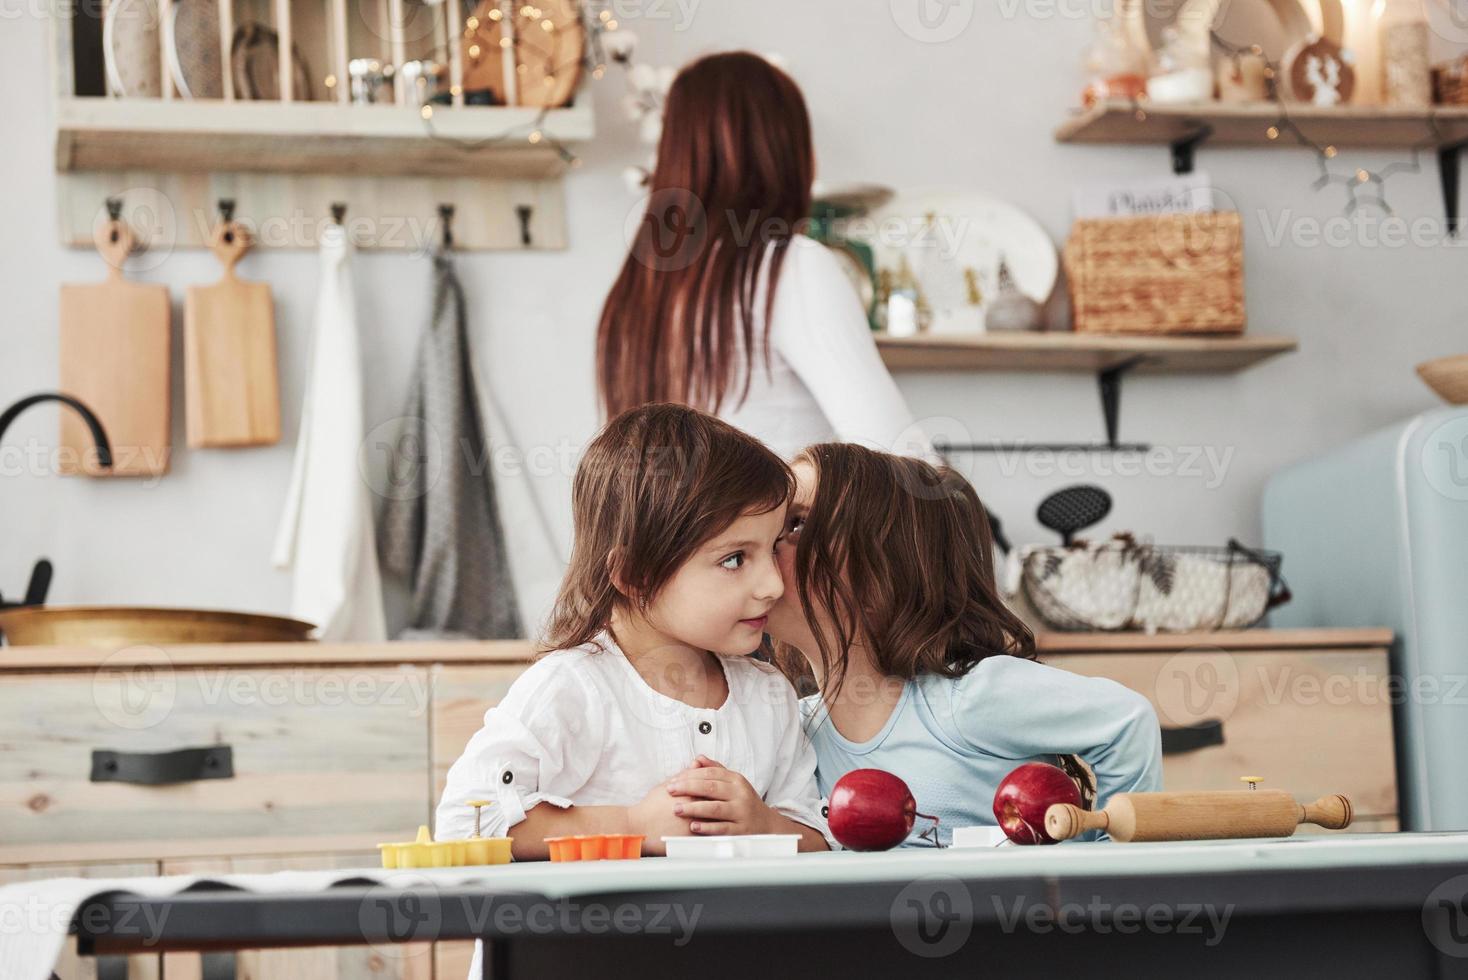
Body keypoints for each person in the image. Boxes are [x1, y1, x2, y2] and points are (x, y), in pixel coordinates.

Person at [436, 404, 833, 858]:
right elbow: (466, 821)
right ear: (635, 575)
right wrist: (632, 825)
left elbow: (819, 835)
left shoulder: (768, 694)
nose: (773, 585)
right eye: (735, 559)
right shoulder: (572, 687)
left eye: (772, 548)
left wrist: (764, 824)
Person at [766, 443, 1162, 844]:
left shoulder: (970, 698)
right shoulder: (794, 729)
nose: (765, 543)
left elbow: (1127, 723)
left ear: (884, 575)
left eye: (796, 525)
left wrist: (1109, 875)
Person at [596, 51, 929, 460]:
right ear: (784, 151)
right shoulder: (790, 266)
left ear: (674, 152)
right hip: (772, 524)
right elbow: (901, 460)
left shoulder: (637, 287)